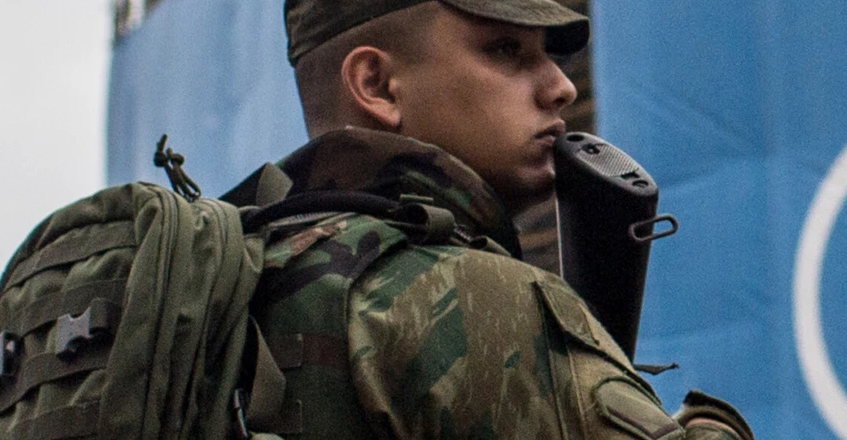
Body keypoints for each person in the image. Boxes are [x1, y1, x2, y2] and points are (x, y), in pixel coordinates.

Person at [233, 0, 754, 438]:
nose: (561, 87)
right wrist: (711, 423)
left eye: (547, 53)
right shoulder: (465, 293)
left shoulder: (243, 280)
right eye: (506, 50)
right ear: (378, 85)